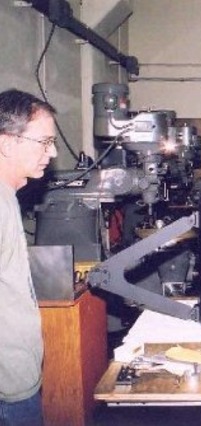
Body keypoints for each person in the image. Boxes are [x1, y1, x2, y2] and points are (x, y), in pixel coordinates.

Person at [0, 89, 58, 425]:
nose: (53, 152)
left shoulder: (8, 197)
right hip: (7, 388)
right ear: (7, 144)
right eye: (44, 142)